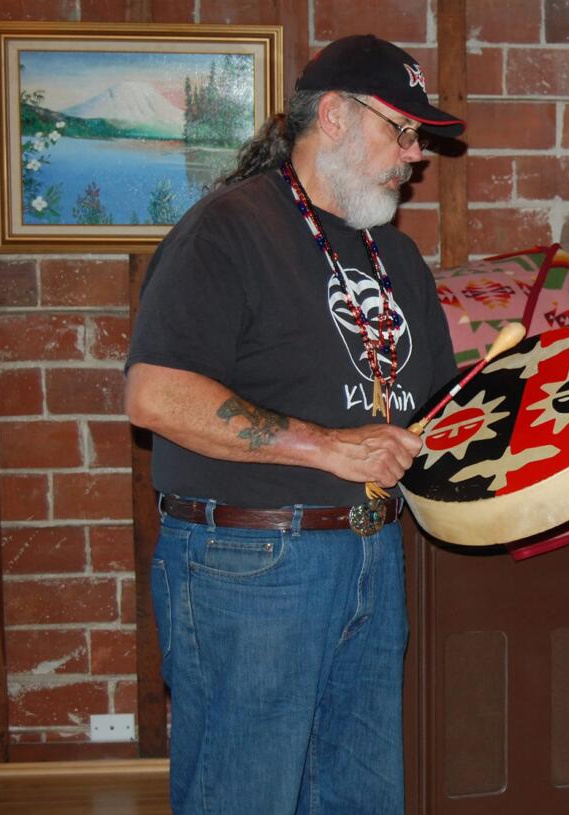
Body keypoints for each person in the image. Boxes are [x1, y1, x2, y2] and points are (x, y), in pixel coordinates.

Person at [125, 34, 464, 814]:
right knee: (244, 793)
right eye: (401, 131)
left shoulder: (398, 258)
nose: (416, 156)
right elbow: (153, 394)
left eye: (420, 138)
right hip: (248, 561)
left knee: (360, 793)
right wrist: (323, 446)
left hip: (372, 556)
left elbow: (431, 406)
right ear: (336, 117)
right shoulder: (229, 229)